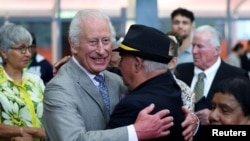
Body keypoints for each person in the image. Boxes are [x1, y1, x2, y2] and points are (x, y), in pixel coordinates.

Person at [43, 9, 178, 141]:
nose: (101, 50)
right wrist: (134, 132)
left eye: (106, 41)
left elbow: (157, 84)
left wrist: (187, 117)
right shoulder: (59, 89)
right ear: (73, 44)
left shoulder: (118, 80)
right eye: (93, 42)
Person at [106, 24, 186, 141]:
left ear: (138, 64)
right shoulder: (172, 86)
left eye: (122, 58)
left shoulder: (132, 105)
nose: (119, 65)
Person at [174, 25, 249, 140]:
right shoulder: (181, 71)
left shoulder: (236, 75)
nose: (194, 51)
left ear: (217, 50)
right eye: (193, 45)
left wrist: (212, 115)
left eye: (200, 46)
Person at [0, 23, 45, 140]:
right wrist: (29, 131)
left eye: (29, 48)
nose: (28, 53)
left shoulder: (36, 81)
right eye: (22, 48)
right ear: (4, 52)